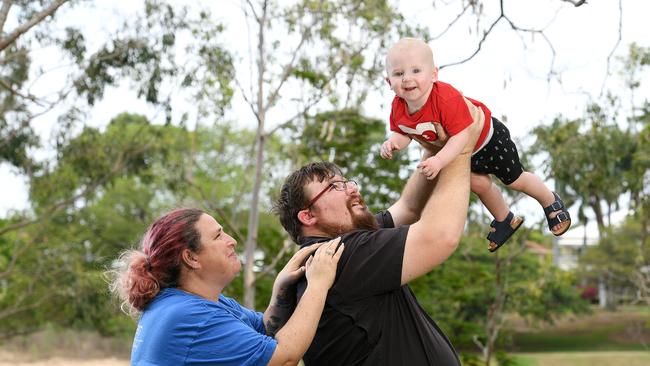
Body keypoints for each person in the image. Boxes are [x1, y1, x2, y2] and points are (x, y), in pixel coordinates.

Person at [272, 128, 481, 365]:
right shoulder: (339, 255)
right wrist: (462, 145)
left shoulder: (347, 241)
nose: (352, 188)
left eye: (346, 182)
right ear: (308, 217)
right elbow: (441, 235)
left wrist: (434, 147)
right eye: (334, 187)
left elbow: (409, 207)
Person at [380, 37, 571, 251]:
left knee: (515, 180)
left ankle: (549, 200)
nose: (407, 78)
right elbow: (403, 132)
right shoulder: (398, 107)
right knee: (478, 184)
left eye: (416, 71)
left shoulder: (445, 98)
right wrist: (393, 142)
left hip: (488, 139)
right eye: (398, 73)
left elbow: (462, 136)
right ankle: (505, 219)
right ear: (389, 82)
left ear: (433, 74)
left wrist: (438, 161)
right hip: (461, 153)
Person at [109, 208, 344, 366]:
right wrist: (318, 285)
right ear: (191, 258)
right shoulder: (189, 316)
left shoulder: (198, 302)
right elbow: (284, 358)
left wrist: (280, 289)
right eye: (218, 236)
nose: (231, 240)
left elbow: (263, 330)